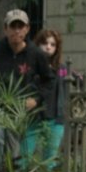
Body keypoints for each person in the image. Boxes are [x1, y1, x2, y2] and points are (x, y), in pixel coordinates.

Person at [34, 28, 75, 161]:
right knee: (27, 156)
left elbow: (79, 79)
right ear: (38, 44)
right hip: (34, 117)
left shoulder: (62, 69)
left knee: (49, 158)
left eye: (52, 44)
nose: (48, 47)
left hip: (56, 118)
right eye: (45, 43)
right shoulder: (32, 67)